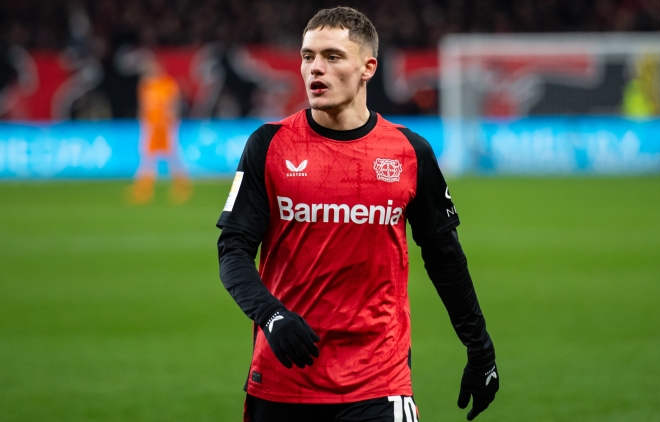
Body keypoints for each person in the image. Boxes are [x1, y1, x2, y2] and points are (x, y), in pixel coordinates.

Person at [216, 7, 498, 422]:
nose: (316, 68)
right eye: (308, 56)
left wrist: (480, 349)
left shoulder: (410, 152)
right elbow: (233, 249)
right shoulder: (268, 145)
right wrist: (270, 314)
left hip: (379, 382)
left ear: (368, 68)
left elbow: (445, 257)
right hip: (283, 379)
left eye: (332, 57)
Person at [128, 52, 191, 204]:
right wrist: (143, 123)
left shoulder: (168, 84)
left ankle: (182, 186)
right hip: (150, 126)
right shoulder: (145, 85)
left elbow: (174, 105)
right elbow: (143, 107)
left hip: (165, 126)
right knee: (147, 157)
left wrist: (171, 123)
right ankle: (144, 188)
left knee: (173, 156)